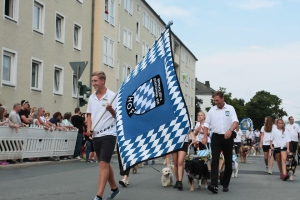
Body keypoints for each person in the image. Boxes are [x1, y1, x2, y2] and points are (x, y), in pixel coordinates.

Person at [86, 71, 119, 200]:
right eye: (92, 81)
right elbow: (89, 115)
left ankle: (98, 196)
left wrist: (111, 109)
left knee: (103, 164)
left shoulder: (112, 96)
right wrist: (89, 128)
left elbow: (117, 116)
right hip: (96, 135)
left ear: (103, 81)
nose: (93, 84)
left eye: (95, 81)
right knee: (104, 163)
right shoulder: (91, 98)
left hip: (109, 133)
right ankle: (114, 189)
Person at [203, 91, 238, 194]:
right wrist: (205, 137)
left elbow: (235, 122)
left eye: (217, 100)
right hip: (216, 137)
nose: (216, 102)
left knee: (228, 161)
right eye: (214, 100)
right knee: (214, 161)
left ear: (223, 99)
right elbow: (206, 125)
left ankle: (225, 183)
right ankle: (214, 185)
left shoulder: (230, 108)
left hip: (228, 137)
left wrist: (230, 130)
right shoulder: (212, 111)